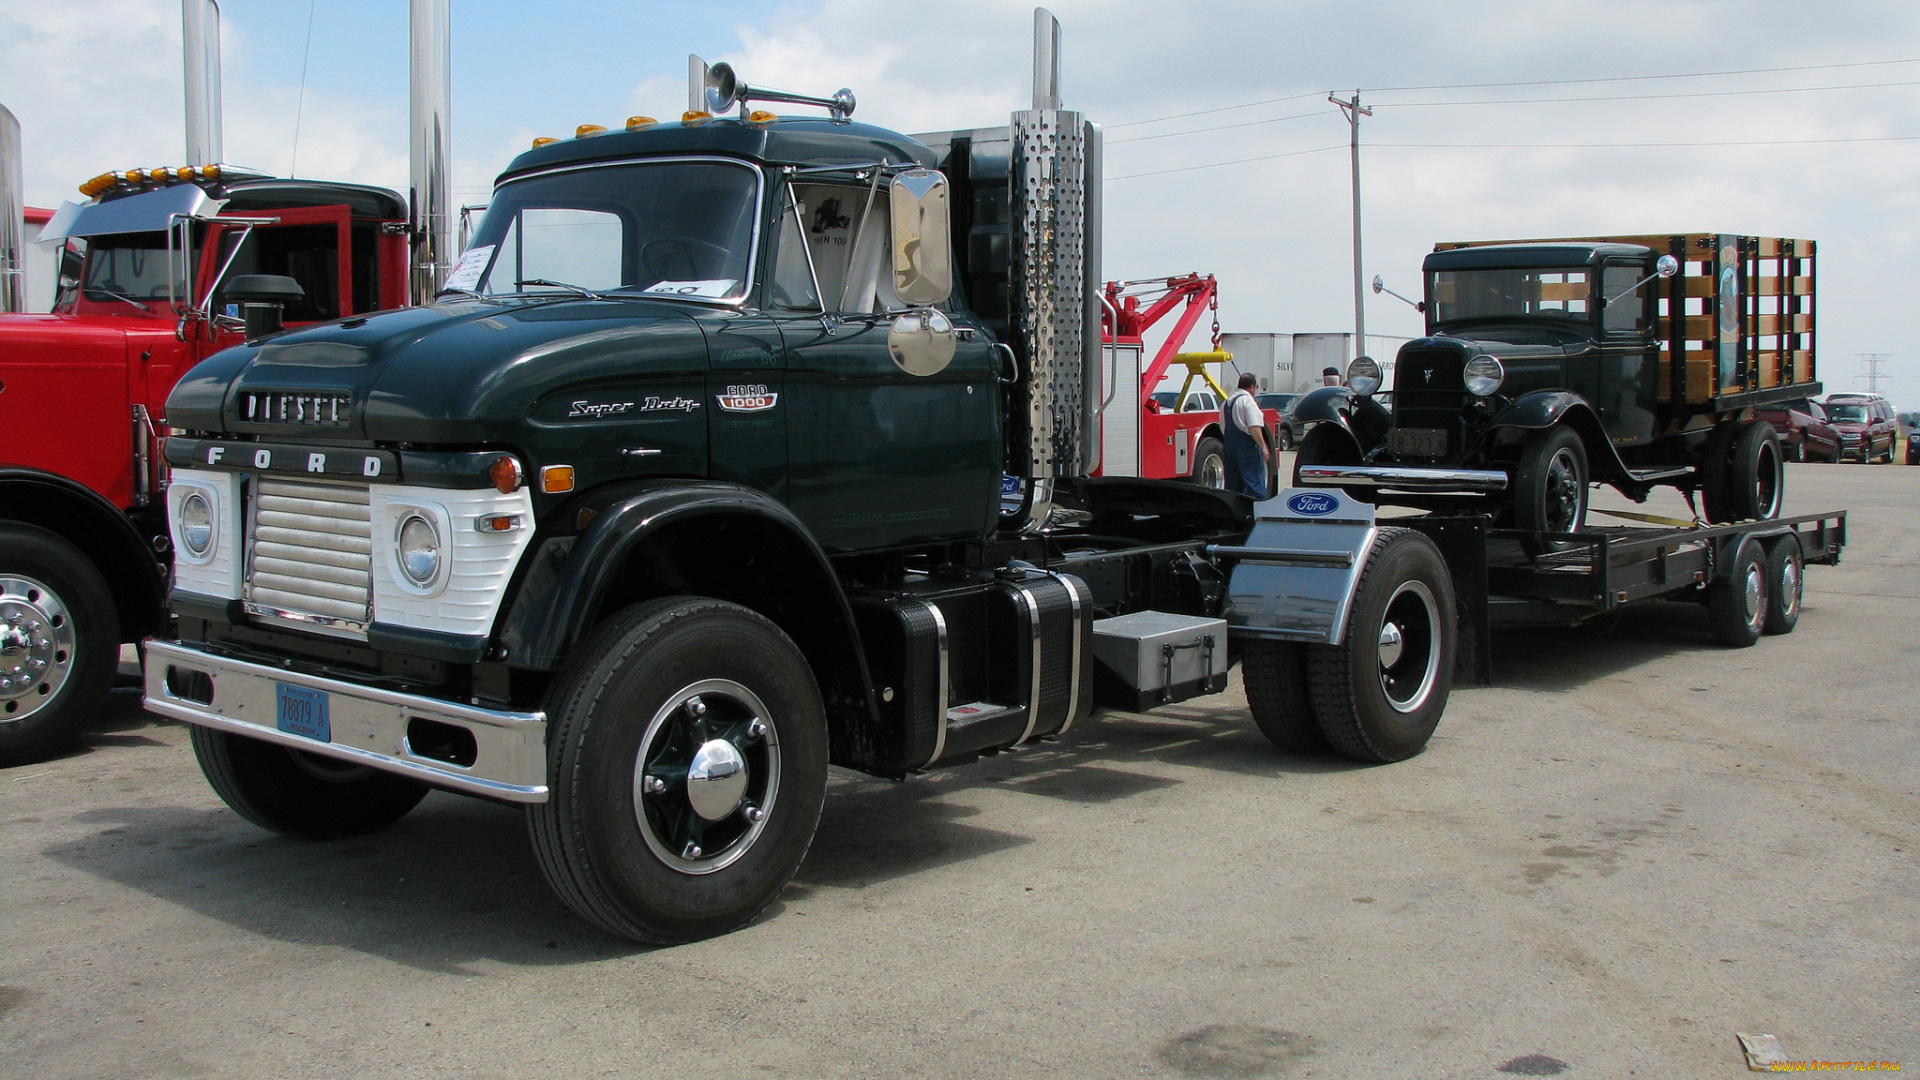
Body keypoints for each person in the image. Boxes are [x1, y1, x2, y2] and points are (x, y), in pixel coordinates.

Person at [1220, 373, 1272, 499]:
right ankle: (1257, 514)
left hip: (1229, 446)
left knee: (1233, 488)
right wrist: (1263, 447)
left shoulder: (1226, 403)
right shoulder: (1247, 401)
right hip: (1246, 447)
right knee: (1255, 485)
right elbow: (1254, 426)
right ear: (1252, 387)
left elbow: (1223, 427)